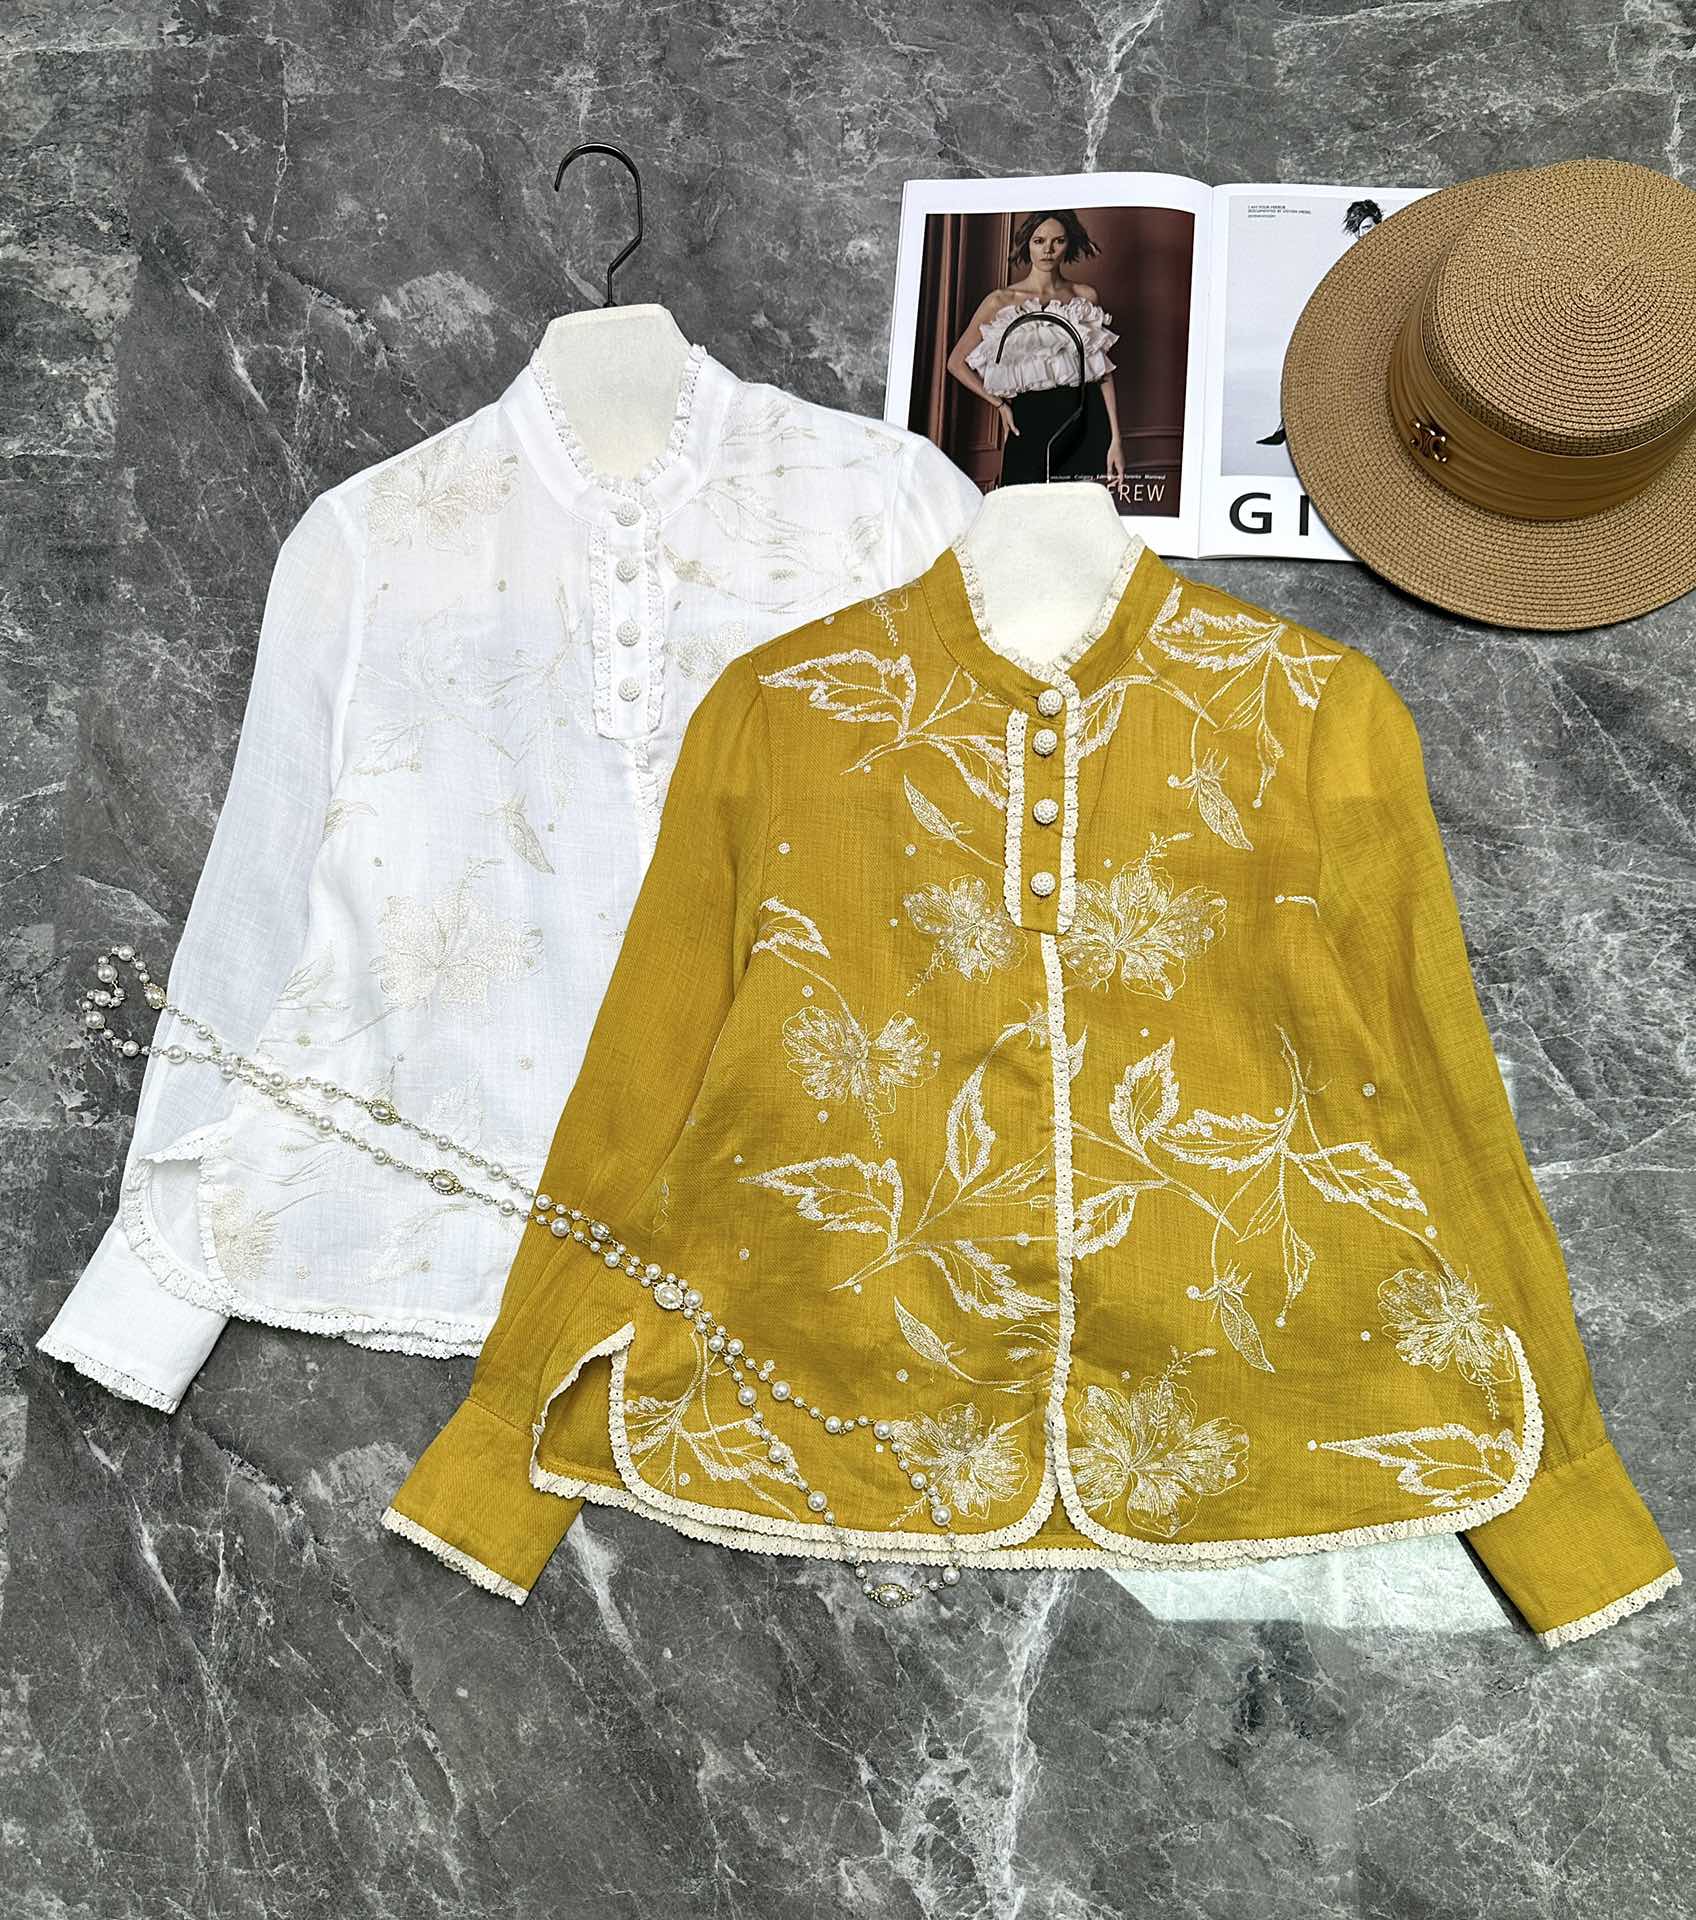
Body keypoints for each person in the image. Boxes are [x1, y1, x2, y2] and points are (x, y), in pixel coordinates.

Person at [946, 210, 1125, 486]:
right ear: (1027, 243)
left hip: (1086, 422)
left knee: (1079, 509)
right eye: (1039, 241)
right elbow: (955, 363)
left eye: (1058, 241)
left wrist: (1116, 440)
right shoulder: (1000, 301)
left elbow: (1102, 373)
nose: (1048, 250)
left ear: (1069, 243)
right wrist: (999, 404)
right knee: (1023, 505)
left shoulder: (1084, 296)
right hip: (1028, 424)